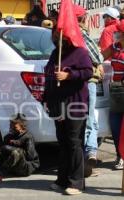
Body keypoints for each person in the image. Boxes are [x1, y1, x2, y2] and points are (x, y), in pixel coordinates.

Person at [43, 27, 93, 195]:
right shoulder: (55, 53)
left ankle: (76, 182)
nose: (55, 39)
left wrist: (68, 75)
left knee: (74, 142)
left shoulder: (80, 52)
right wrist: (45, 98)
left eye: (58, 36)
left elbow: (88, 72)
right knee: (63, 142)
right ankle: (62, 179)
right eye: (54, 36)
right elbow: (48, 74)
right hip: (58, 104)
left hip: (75, 104)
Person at [74, 5, 104, 176]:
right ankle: (89, 153)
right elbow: (97, 56)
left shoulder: (68, 36)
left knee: (87, 119)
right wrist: (98, 63)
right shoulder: (81, 34)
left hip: (77, 82)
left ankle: (88, 155)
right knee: (89, 119)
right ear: (83, 19)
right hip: (88, 81)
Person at [0, 114, 40, 184]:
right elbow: (2, 151)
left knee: (16, 152)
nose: (11, 127)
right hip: (11, 167)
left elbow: (30, 156)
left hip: (24, 168)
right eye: (10, 125)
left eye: (14, 126)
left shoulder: (28, 137)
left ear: (22, 126)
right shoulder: (9, 136)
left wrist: (17, 144)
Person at [102, 20, 124, 170]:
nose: (116, 34)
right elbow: (100, 57)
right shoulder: (115, 47)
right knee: (115, 124)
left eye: (119, 32)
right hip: (116, 91)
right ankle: (120, 155)